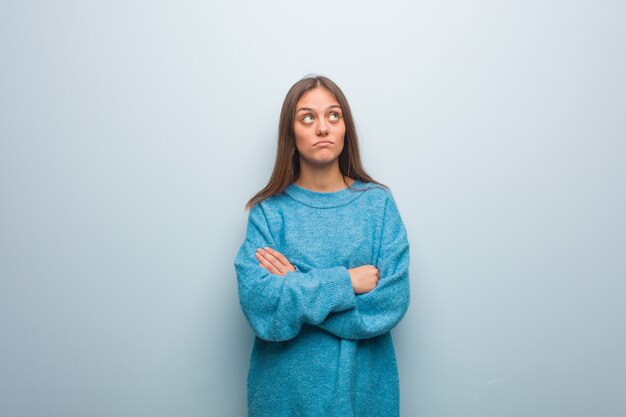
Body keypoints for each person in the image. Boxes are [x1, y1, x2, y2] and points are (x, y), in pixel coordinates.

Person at [233, 74, 411, 417]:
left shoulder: (378, 205)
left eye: (333, 115)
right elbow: (261, 308)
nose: (323, 128)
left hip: (364, 397)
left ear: (346, 128)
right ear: (291, 132)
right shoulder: (268, 214)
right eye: (307, 117)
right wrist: (345, 283)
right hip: (282, 398)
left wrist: (297, 284)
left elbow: (390, 302)